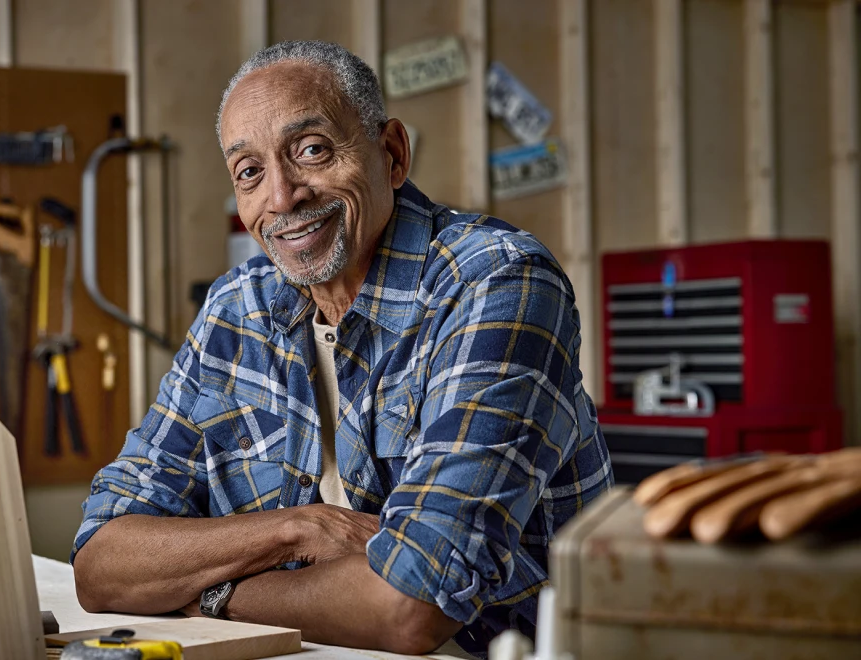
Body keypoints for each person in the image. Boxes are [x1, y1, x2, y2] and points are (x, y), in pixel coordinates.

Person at [70, 40, 612, 657]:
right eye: (249, 171)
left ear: (392, 155)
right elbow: (102, 562)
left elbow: (412, 606)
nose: (281, 196)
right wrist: (297, 530)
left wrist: (208, 595)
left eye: (311, 151)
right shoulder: (234, 310)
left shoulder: (496, 283)